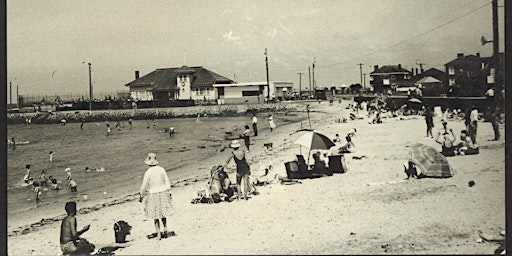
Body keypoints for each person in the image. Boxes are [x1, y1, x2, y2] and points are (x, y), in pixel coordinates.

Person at [139, 153, 174, 240]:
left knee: (155, 215)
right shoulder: (161, 169)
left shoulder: (148, 172)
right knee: (163, 213)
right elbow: (167, 181)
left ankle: (158, 234)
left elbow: (144, 185)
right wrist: (169, 191)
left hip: (153, 193)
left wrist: (141, 195)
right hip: (163, 192)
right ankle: (165, 229)